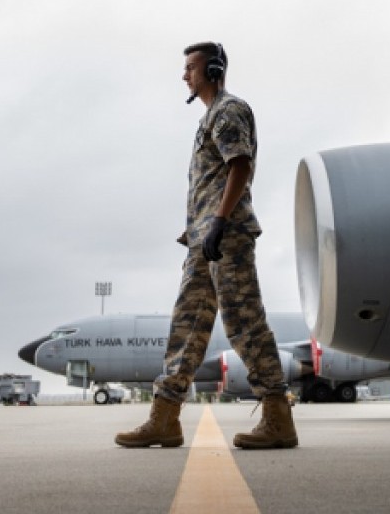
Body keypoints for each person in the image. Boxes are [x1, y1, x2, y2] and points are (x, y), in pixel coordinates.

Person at [115, 42, 297, 450]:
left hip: (225, 235)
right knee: (186, 328)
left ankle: (277, 416)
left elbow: (240, 165)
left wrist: (217, 222)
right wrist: (198, 231)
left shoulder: (229, 110)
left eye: (191, 68)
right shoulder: (208, 118)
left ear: (213, 70)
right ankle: (164, 418)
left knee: (244, 323)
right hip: (202, 240)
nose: (185, 75)